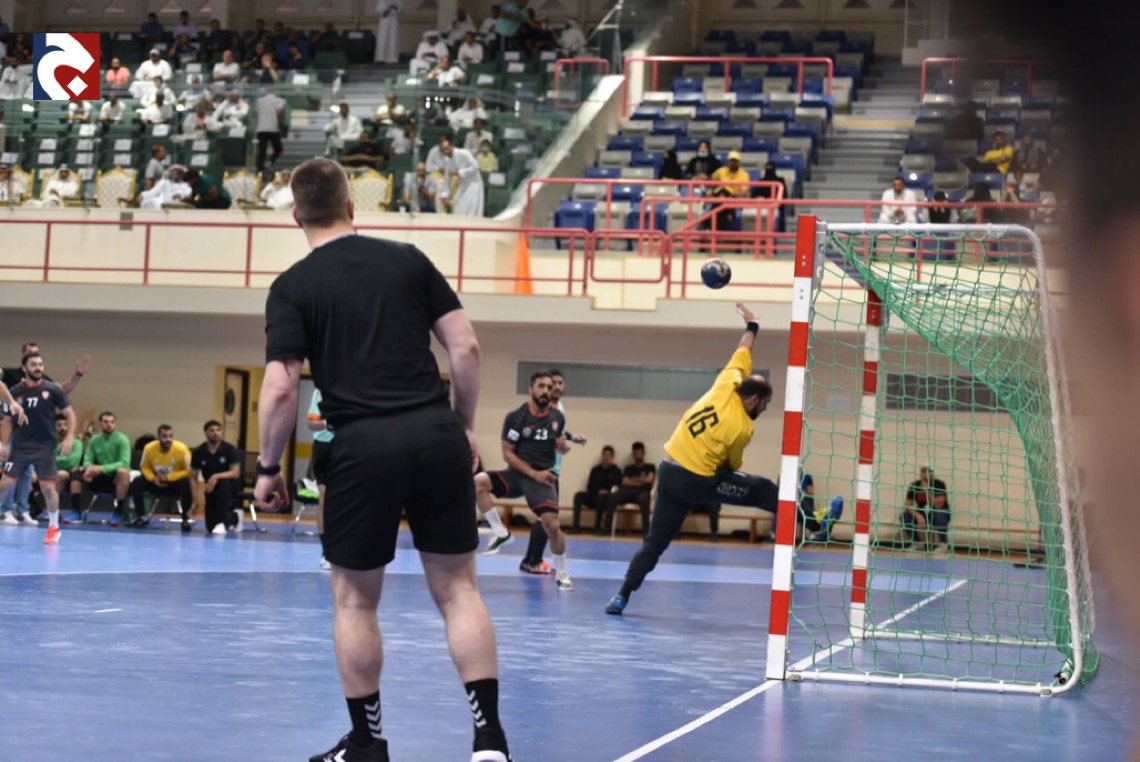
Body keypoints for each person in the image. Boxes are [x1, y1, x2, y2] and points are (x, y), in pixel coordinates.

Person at [256, 159, 510, 762]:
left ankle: (367, 744)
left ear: (296, 217)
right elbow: (466, 347)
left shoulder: (292, 287)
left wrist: (268, 468)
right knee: (459, 591)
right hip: (435, 434)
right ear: (352, 207)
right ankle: (490, 743)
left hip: (362, 446)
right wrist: (464, 425)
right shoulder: (409, 260)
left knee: (354, 601)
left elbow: (282, 386)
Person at [605, 303, 778, 615]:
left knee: (654, 543)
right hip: (696, 482)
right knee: (763, 489)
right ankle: (813, 520)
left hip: (668, 473)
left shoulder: (727, 381)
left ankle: (622, 595)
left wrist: (752, 325)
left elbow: (743, 349)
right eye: (764, 404)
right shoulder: (742, 427)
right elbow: (730, 466)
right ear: (753, 399)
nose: (764, 410)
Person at [475, 371, 575, 591]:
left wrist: (561, 446)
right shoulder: (516, 417)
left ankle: (562, 574)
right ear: (531, 389)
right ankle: (501, 532)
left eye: (549, 387)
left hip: (541, 480)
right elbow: (507, 453)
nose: (546, 391)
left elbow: (557, 441)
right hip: (518, 474)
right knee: (478, 482)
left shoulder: (557, 417)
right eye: (541, 386)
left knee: (553, 526)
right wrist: (532, 473)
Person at [1, 344, 90, 525]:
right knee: (4, 484)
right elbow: (7, 421)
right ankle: (5, 511)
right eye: (34, 364)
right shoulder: (14, 387)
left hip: (44, 446)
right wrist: (4, 444)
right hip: (20, 445)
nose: (38, 368)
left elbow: (68, 407)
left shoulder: (51, 388)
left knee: (46, 487)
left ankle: (46, 522)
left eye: (41, 364)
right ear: (24, 366)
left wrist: (69, 437)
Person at [519, 368, 586, 574]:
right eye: (551, 384)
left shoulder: (559, 408)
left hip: (554, 469)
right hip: (543, 469)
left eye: (559, 383)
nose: (555, 387)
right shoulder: (543, 408)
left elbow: (557, 431)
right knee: (548, 516)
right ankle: (532, 561)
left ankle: (531, 560)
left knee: (547, 516)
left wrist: (571, 437)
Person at [130, 424, 194, 529]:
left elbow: (189, 471)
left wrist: (168, 477)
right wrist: (153, 478)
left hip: (174, 484)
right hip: (156, 482)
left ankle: (185, 519)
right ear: (158, 437)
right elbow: (144, 467)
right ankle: (141, 516)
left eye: (170, 436)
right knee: (137, 482)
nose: (168, 439)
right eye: (164, 436)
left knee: (188, 483)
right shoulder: (149, 448)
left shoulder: (182, 449)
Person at [77, 410, 133, 524]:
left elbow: (124, 462)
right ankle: (76, 511)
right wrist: (89, 468)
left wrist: (101, 468)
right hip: (100, 476)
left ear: (115, 424)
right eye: (106, 422)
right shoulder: (94, 440)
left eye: (112, 422)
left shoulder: (122, 439)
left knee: (122, 472)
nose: (109, 425)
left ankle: (119, 511)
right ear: (100, 424)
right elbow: (87, 460)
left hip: (116, 477)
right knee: (77, 473)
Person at [191, 420, 242, 535]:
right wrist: (195, 499)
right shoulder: (199, 452)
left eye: (218, 430)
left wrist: (216, 476)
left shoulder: (229, 449)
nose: (215, 433)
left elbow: (235, 473)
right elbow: (193, 477)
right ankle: (235, 517)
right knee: (210, 527)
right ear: (206, 433)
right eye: (212, 430)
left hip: (230, 484)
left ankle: (222, 523)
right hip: (210, 486)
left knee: (222, 485)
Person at [307, 388, 335, 570]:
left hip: (348, 446)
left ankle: (345, 548)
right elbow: (311, 423)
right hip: (324, 447)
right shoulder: (320, 391)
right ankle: (327, 552)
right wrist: (328, 424)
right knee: (325, 499)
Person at [601, 441, 656, 535]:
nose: (637, 455)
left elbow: (649, 480)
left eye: (639, 453)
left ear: (643, 453)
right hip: (627, 492)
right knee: (612, 496)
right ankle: (606, 530)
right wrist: (641, 481)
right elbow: (624, 482)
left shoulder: (650, 467)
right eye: (635, 453)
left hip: (642, 493)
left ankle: (646, 532)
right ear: (633, 454)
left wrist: (632, 479)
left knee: (644, 499)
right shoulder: (628, 468)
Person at [571, 445, 622, 534]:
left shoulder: (616, 470)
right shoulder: (595, 470)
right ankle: (576, 527)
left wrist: (607, 491)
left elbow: (616, 487)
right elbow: (590, 486)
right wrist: (597, 491)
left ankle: (597, 527)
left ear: (612, 457)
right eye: (605, 454)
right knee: (578, 496)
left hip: (606, 499)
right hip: (594, 495)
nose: (606, 457)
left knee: (601, 497)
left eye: (609, 455)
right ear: (602, 456)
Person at [901, 466, 951, 551]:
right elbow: (907, 505)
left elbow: (938, 506)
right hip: (922, 514)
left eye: (928, 472)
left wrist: (927, 491)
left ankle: (943, 545)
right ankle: (918, 544)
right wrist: (917, 516)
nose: (925, 475)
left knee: (939, 514)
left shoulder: (939, 484)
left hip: (937, 513)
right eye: (923, 472)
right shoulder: (915, 485)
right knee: (905, 516)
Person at [438, 137, 484, 217]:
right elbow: (447, 180)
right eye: (443, 150)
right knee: (457, 208)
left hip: (473, 184)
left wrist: (459, 172)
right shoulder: (448, 161)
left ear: (451, 146)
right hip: (462, 185)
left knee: (471, 209)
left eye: (447, 149)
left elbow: (476, 166)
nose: (446, 151)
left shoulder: (464, 153)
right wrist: (445, 195)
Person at [54, 414, 85, 523]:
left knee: (62, 474)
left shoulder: (76, 442)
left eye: (65, 425)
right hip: (48, 472)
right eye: (59, 425)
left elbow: (72, 462)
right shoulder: (49, 442)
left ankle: (57, 511)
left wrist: (55, 459)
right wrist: (60, 456)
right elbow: (44, 458)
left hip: (69, 477)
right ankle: (30, 508)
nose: (62, 428)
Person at [710, 151, 750, 231]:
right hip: (720, 195)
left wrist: (732, 195)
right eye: (731, 161)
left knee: (719, 206)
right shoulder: (721, 171)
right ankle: (729, 215)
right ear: (728, 161)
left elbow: (744, 192)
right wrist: (712, 191)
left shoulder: (744, 174)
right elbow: (712, 182)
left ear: (739, 162)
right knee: (721, 200)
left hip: (734, 198)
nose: (733, 163)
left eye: (735, 161)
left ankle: (714, 229)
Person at [255, 88, 286, 173]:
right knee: (278, 149)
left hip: (261, 129)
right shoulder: (280, 101)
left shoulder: (259, 101)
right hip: (273, 129)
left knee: (262, 151)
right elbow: (279, 113)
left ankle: (259, 169)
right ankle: (270, 162)